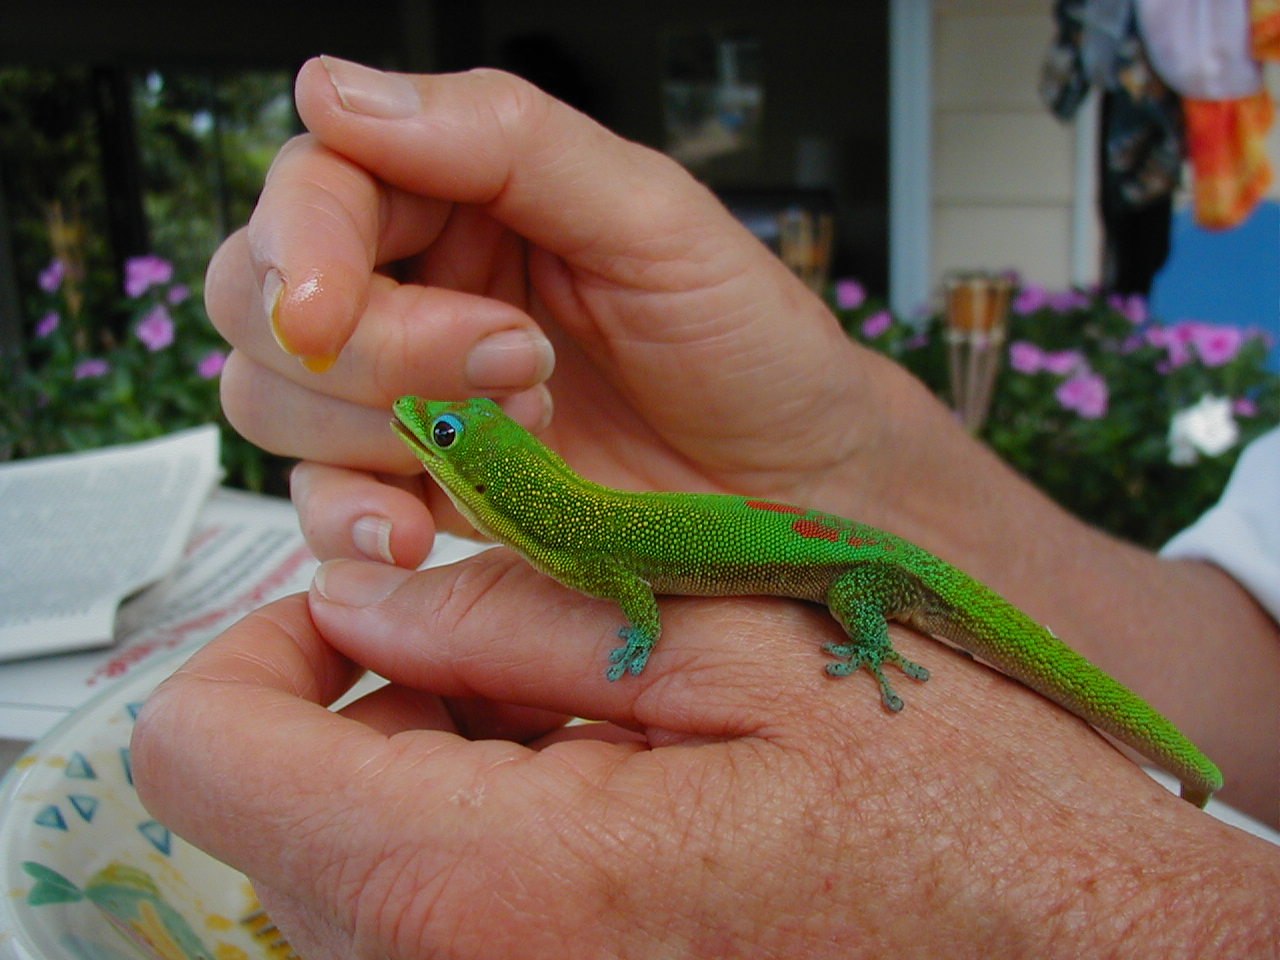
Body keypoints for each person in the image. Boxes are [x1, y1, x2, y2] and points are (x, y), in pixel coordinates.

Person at [130, 57, 1280, 959]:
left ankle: (891, 650)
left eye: (444, 436)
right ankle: (1170, 756)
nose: (428, 430)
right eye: (444, 431)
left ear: (486, 479)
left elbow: (630, 588)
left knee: (865, 605)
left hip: (865, 578)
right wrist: (852, 472)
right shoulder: (567, 520)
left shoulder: (581, 537)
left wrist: (1150, 921)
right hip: (829, 534)